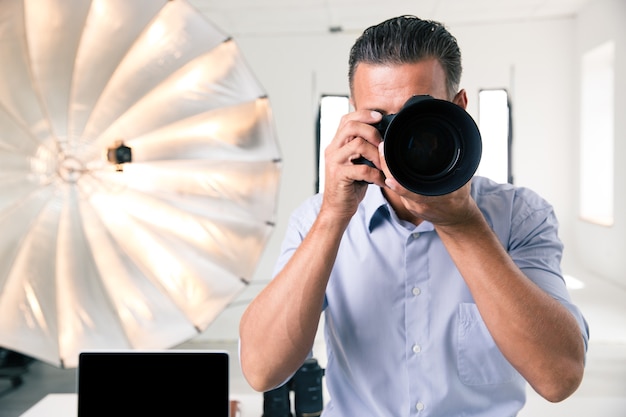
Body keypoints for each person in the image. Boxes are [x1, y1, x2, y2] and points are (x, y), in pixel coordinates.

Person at [239, 15, 589, 416]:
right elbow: (262, 370)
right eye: (382, 120)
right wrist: (334, 216)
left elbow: (560, 376)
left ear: (458, 109)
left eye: (418, 117)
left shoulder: (520, 216)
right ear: (354, 119)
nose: (403, 138)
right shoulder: (317, 220)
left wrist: (462, 224)